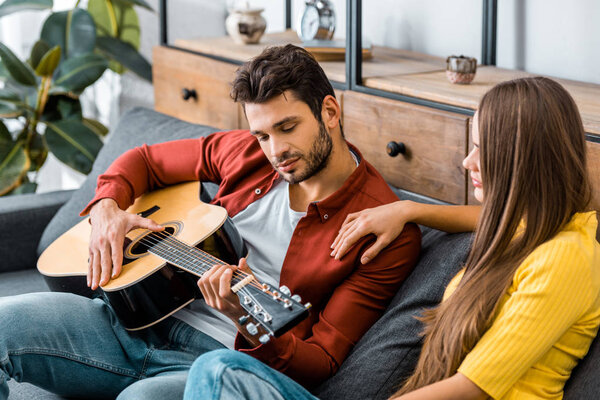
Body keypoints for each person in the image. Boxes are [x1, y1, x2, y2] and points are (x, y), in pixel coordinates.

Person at [0, 44, 421, 400]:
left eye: (287, 127)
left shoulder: (382, 230)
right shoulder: (247, 153)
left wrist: (246, 320)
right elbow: (145, 161)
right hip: (131, 321)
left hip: (214, 361)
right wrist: (107, 207)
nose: (275, 150)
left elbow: (323, 360)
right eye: (262, 134)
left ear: (330, 111)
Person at [182, 76, 600, 400]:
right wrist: (407, 209)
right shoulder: (532, 227)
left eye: (482, 147)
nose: (466, 161)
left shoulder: (567, 258)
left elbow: (472, 388)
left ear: (521, 158)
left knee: (219, 370)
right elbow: (491, 216)